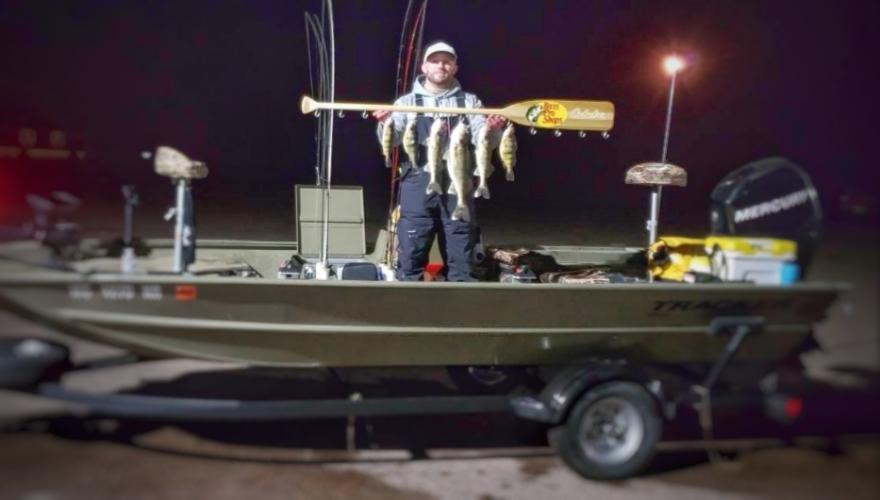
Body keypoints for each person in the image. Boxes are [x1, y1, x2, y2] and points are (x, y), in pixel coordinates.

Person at [373, 41, 507, 281]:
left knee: (461, 246)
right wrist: (386, 123)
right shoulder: (405, 103)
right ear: (424, 66)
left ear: (455, 68)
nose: (441, 66)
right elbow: (392, 140)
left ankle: (460, 306)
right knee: (412, 250)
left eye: (447, 61)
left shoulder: (470, 103)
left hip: (458, 180)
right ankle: (408, 305)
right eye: (435, 61)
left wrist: (492, 129)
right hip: (416, 181)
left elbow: (483, 141)